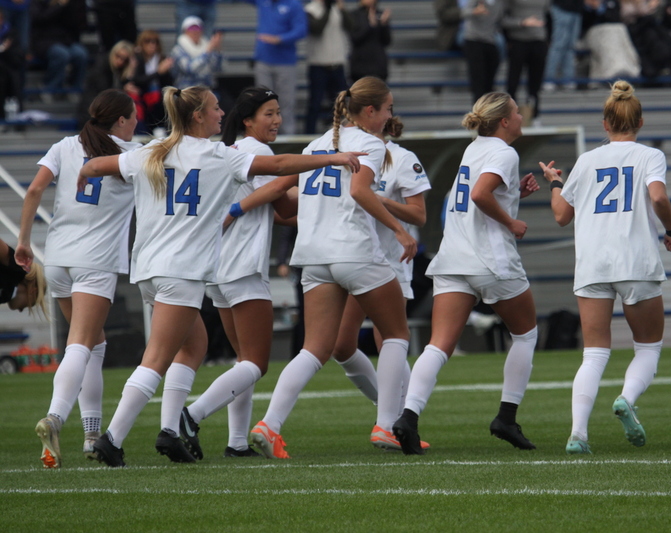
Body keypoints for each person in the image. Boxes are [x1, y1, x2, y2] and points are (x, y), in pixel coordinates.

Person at [78, 85, 365, 467]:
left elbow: (99, 165)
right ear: (197, 116)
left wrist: (84, 172)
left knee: (193, 346)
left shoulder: (150, 151)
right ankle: (111, 439)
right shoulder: (220, 156)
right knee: (156, 359)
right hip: (181, 272)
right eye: (215, 108)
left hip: (149, 268)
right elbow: (279, 168)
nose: (221, 114)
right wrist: (334, 158)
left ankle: (169, 431)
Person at [236, 76, 417, 459]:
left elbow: (287, 197)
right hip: (353, 250)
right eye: (387, 109)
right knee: (397, 333)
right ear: (369, 111)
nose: (389, 117)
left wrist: (239, 208)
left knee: (313, 349)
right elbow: (359, 191)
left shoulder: (316, 144)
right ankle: (386, 424)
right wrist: (401, 231)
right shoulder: (370, 143)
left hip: (313, 255)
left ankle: (270, 424)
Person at [392, 92, 541, 455]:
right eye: (517, 113)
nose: (521, 117)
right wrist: (511, 221)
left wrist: (513, 193)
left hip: (454, 257)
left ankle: (407, 418)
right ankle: (506, 417)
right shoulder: (505, 152)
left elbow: (480, 193)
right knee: (526, 335)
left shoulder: (475, 147)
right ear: (504, 121)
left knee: (438, 345)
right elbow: (479, 195)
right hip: (490, 260)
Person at [539, 80, 671, 456]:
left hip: (594, 263)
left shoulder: (586, 161)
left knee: (594, 353)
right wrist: (670, 230)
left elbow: (561, 217)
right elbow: (659, 196)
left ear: (605, 123)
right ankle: (627, 399)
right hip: (636, 261)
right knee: (648, 349)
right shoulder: (649, 156)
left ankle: (578, 434)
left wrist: (555, 183)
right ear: (640, 122)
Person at [15, 89, 141, 469]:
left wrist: (23, 242)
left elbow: (35, 188)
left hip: (58, 257)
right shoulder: (131, 155)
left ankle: (91, 433)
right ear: (120, 120)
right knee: (81, 344)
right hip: (95, 260)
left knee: (94, 343)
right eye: (134, 116)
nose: (137, 122)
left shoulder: (66, 145)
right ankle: (55, 417)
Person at [178, 87, 294, 459]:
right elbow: (274, 191)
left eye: (278, 113)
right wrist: (308, 173)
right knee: (256, 361)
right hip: (242, 266)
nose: (276, 120)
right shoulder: (257, 151)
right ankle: (190, 416)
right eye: (268, 114)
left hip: (218, 267)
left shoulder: (230, 151)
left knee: (244, 359)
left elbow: (281, 210)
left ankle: (237, 442)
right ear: (247, 121)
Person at [327, 115, 431, 451]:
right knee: (341, 346)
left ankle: (398, 421)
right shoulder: (347, 155)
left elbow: (418, 215)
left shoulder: (402, 158)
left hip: (389, 261)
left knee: (388, 337)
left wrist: (377, 199)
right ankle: (390, 412)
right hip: (356, 257)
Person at [251, 0, 307, 135]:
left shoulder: (293, 5)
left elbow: (301, 30)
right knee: (262, 102)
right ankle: (263, 136)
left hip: (285, 62)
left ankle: (287, 139)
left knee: (285, 103)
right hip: (263, 60)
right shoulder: (263, 2)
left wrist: (280, 39)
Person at [304, 0, 352, 134]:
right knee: (315, 104)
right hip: (318, 64)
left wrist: (342, 10)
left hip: (337, 63)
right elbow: (317, 29)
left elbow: (351, 26)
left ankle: (342, 133)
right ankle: (309, 134)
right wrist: (328, 8)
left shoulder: (338, 8)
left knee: (341, 104)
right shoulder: (310, 9)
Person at [29, 0, 88, 101]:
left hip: (65, 40)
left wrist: (69, 6)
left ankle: (74, 87)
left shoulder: (68, 4)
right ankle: (49, 87)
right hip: (44, 40)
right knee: (61, 54)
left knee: (81, 54)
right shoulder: (38, 2)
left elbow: (77, 24)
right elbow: (39, 18)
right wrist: (58, 6)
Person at [502, 0, 548, 126]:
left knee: (535, 84)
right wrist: (522, 22)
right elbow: (502, 20)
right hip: (518, 41)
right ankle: (511, 115)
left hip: (538, 40)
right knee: (513, 82)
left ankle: (535, 115)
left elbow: (548, 15)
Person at [76, 41, 137, 129]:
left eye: (124, 59)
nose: (120, 61)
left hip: (103, 112)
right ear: (113, 53)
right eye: (118, 56)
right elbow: (105, 93)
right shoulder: (101, 66)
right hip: (92, 111)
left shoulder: (118, 71)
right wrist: (123, 88)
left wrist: (130, 71)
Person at [131, 30, 174, 134]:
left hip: (158, 96)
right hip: (143, 93)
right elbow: (138, 80)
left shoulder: (161, 59)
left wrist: (165, 71)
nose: (152, 45)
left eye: (155, 42)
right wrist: (158, 72)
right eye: (148, 41)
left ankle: (160, 128)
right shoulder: (138, 59)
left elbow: (168, 83)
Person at [462, 0, 504, 103]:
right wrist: (474, 11)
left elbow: (502, 18)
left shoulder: (501, 3)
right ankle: (478, 114)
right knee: (478, 81)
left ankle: (487, 111)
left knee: (489, 82)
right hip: (474, 39)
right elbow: (464, 12)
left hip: (490, 39)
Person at [170, 16, 222, 89]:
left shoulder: (206, 45)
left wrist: (217, 50)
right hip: (186, 91)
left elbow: (217, 68)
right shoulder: (178, 50)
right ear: (185, 31)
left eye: (198, 28)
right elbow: (189, 69)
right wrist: (207, 52)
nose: (195, 31)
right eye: (191, 28)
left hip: (207, 90)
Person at [542, 0, 583, 91]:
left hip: (576, 10)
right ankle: (549, 79)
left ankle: (567, 79)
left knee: (570, 46)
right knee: (558, 45)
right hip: (561, 8)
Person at [348, 0, 391, 82]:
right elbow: (355, 38)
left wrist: (384, 25)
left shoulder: (380, 14)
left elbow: (387, 41)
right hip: (359, 66)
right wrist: (370, 26)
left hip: (378, 66)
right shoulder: (354, 15)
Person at [0, 237, 46, 314]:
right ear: (33, 291)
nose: (20, 310)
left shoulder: (6, 295)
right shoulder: (16, 269)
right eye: (28, 305)